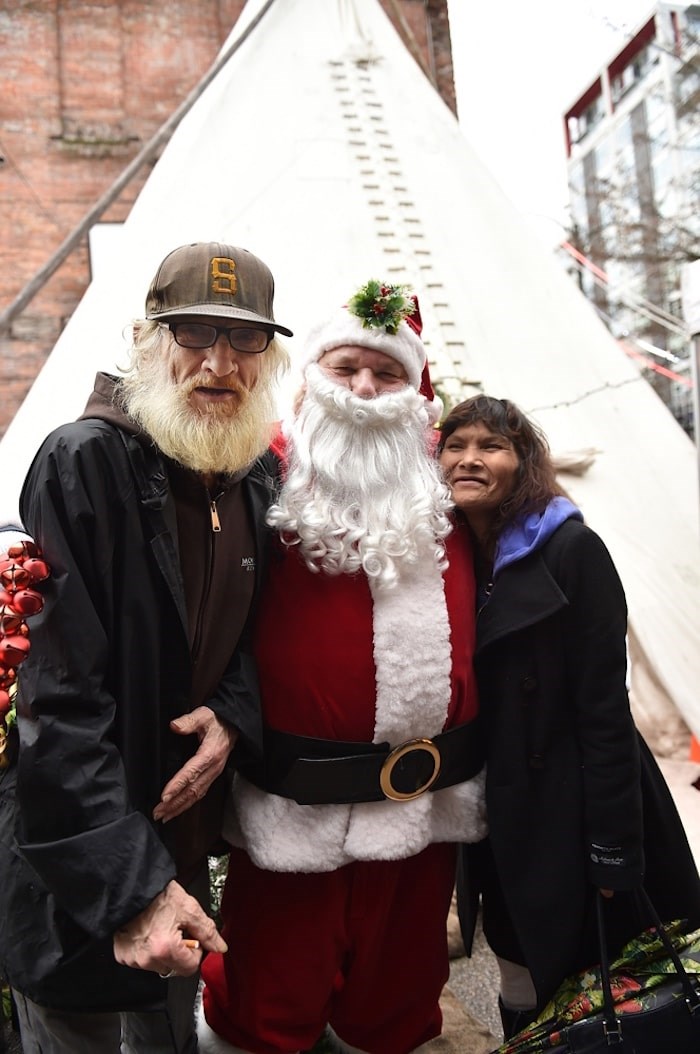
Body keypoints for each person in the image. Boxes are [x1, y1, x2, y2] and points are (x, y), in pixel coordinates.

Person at [0, 241, 292, 1053]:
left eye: (246, 340)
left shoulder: (251, 477)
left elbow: (250, 642)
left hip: (180, 844)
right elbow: (55, 699)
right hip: (79, 852)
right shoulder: (83, 461)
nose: (220, 362)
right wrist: (131, 890)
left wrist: (231, 716)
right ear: (145, 339)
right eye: (195, 334)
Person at [195, 281, 488, 1054]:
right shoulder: (254, 472)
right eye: (346, 367)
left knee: (397, 996)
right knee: (268, 995)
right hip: (296, 801)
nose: (363, 390)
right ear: (310, 377)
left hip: (427, 803)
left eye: (386, 374)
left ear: (415, 388)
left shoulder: (457, 483)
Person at [437, 394, 700, 1040]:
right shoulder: (451, 562)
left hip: (576, 816)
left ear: (522, 463)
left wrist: (614, 851)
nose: (469, 459)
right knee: (519, 975)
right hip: (500, 819)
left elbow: (606, 711)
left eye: (490, 446)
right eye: (455, 445)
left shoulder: (572, 551)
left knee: (602, 987)